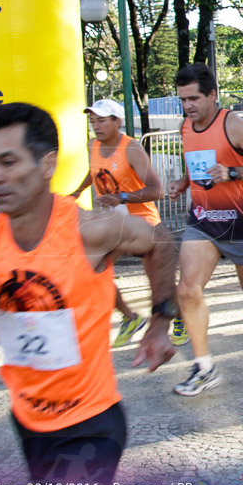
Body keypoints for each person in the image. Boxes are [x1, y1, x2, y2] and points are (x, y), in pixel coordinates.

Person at [0, 102, 178, 485]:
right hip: (27, 418)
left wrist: (161, 321)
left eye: (8, 162)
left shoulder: (88, 230)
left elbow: (160, 240)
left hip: (90, 423)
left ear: (46, 164)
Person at [167, 63, 243, 395]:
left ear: (212, 95)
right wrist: (182, 181)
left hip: (242, 223)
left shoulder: (233, 125)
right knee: (188, 289)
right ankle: (204, 366)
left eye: (194, 98)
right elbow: (195, 163)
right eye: (183, 100)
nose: (188, 106)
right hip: (203, 220)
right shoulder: (185, 127)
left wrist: (233, 174)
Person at [70, 99, 171, 349]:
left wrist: (121, 197)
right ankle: (130, 317)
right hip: (114, 223)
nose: (96, 126)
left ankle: (176, 316)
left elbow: (156, 190)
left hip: (142, 221)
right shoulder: (92, 144)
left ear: (117, 122)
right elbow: (94, 171)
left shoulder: (132, 149)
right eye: (93, 121)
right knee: (92, 270)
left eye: (102, 121)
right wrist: (76, 192)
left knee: (158, 280)